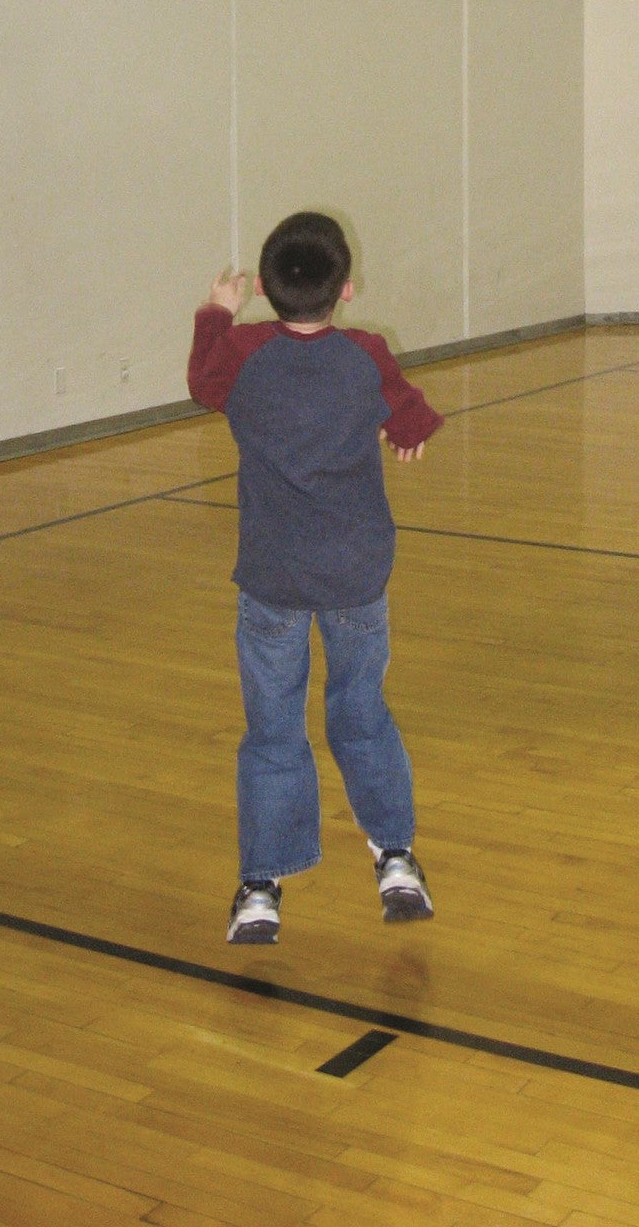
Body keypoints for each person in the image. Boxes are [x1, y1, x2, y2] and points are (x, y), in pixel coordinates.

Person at [186, 211, 443, 944]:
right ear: (347, 290)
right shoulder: (366, 354)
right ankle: (395, 858)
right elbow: (413, 418)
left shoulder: (239, 352)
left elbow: (203, 382)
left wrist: (215, 312)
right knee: (361, 711)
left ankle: (262, 889)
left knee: (273, 732)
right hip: (357, 574)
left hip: (273, 576)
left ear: (264, 291)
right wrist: (403, 434)